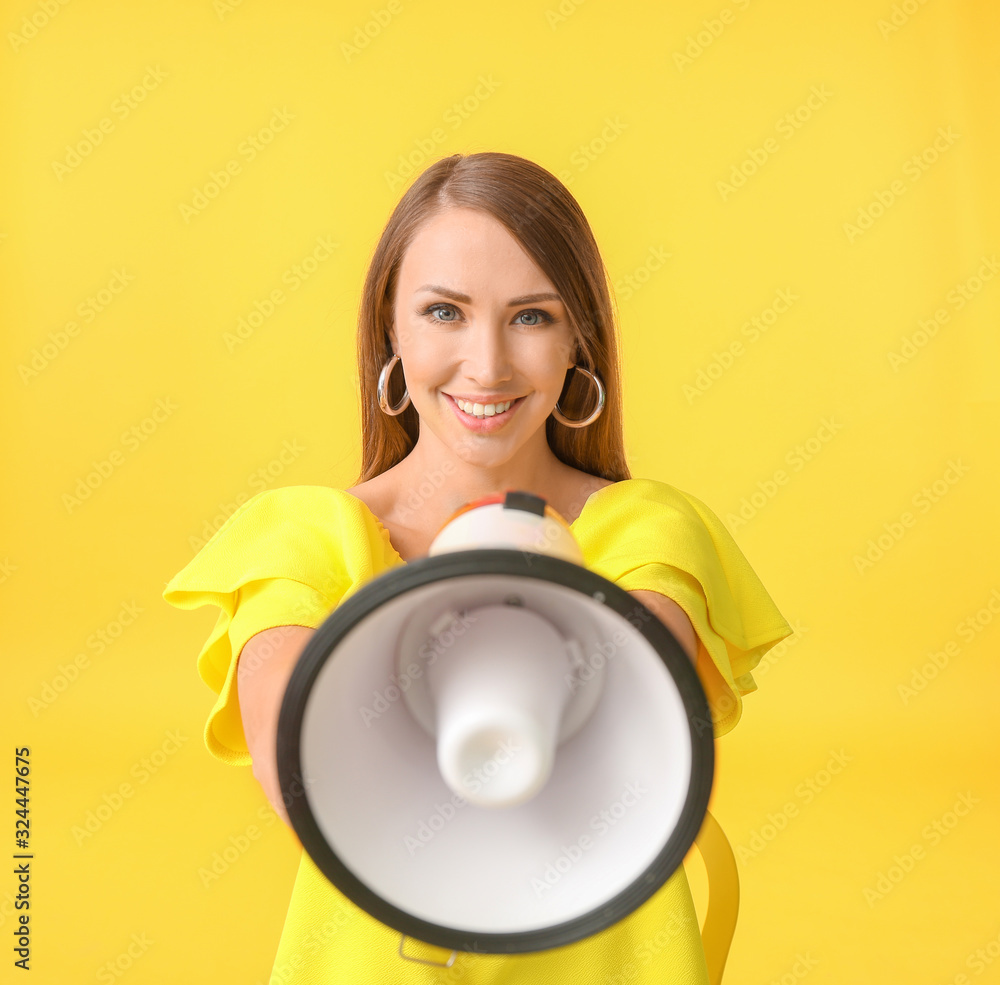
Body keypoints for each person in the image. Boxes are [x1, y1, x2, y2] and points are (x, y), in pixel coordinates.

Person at [163, 151, 793, 984]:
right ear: (391, 328)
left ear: (579, 339)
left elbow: (634, 741)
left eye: (530, 317)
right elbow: (307, 780)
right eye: (444, 312)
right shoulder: (301, 542)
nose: (488, 364)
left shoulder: (650, 534)